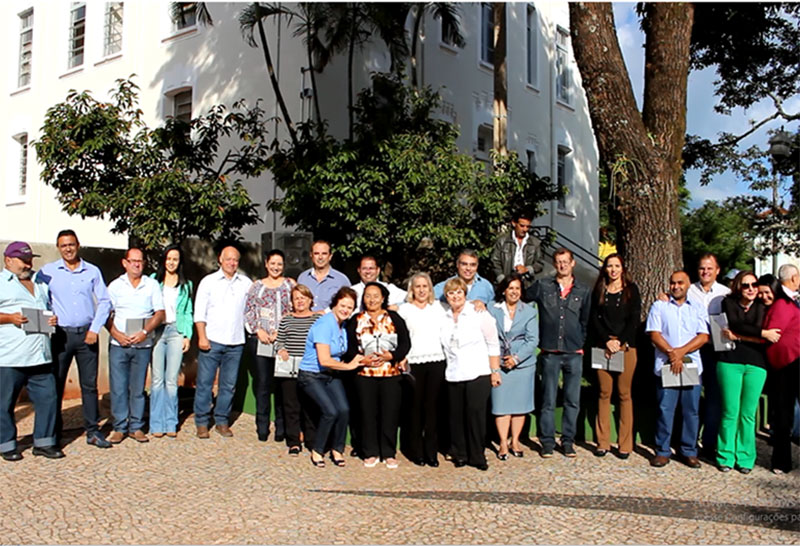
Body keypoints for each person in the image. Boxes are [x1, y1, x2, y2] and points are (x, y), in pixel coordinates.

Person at [37, 230, 112, 449]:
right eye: (63, 245)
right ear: (58, 248)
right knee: (56, 385)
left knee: (89, 386)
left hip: (87, 335)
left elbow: (105, 301)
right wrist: (47, 317)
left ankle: (93, 431)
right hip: (60, 335)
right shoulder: (48, 272)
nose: (68, 249)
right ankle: (54, 433)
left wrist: (95, 329)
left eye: (71, 244)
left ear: (78, 245)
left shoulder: (92, 271)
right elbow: (39, 298)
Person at [525, 248, 591, 458]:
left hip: (573, 351)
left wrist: (581, 342)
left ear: (573, 264)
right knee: (548, 398)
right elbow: (523, 298)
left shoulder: (583, 290)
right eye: (558, 262)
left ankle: (568, 441)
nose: (562, 265)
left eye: (566, 262)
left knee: (572, 399)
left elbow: (586, 320)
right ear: (554, 265)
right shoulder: (544, 286)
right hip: (550, 351)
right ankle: (547, 441)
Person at [0, 242, 64, 461]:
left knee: (49, 398)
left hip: (40, 354)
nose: (28, 263)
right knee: (4, 402)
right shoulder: (1, 283)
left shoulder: (39, 281)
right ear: (8, 260)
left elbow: (46, 308)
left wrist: (52, 318)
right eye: (23, 259)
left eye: (30, 259)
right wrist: (10, 318)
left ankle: (44, 443)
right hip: (11, 356)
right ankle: (6, 444)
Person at [715, 270, 780, 474]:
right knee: (730, 411)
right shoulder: (728, 303)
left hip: (756, 364)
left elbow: (754, 328)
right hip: (729, 362)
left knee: (748, 414)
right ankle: (725, 455)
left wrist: (743, 336)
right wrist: (761, 334)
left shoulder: (761, 306)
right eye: (745, 285)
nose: (751, 289)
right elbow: (736, 324)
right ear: (738, 287)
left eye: (754, 285)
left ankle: (745, 457)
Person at [646, 271, 709, 469]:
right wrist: (671, 353)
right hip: (666, 366)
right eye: (672, 283)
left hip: (691, 365)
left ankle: (689, 450)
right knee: (665, 409)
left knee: (691, 411)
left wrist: (680, 352)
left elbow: (703, 336)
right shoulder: (659, 306)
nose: (676, 286)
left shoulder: (697, 308)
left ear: (688, 284)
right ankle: (663, 451)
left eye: (680, 283)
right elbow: (654, 334)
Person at [344, 282, 411, 468]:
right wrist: (361, 360)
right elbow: (348, 348)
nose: (371, 299)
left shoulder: (394, 318)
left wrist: (392, 355)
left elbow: (405, 343)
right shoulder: (356, 320)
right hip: (364, 375)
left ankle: (389, 452)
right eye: (367, 295)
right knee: (367, 413)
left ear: (383, 298)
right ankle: (370, 451)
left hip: (391, 374)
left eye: (375, 295)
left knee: (389, 413)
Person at [297, 287, 363, 468]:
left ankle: (337, 448)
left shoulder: (341, 325)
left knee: (343, 410)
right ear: (334, 304)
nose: (345, 310)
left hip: (331, 374)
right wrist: (349, 366)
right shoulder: (325, 324)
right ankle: (318, 450)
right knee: (330, 411)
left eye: (349, 307)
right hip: (311, 375)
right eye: (342, 305)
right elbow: (324, 359)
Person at [440, 277, 502, 471]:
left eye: (459, 292)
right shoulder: (444, 316)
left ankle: (477, 455)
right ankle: (460, 454)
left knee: (475, 416)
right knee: (456, 416)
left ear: (465, 294)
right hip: (453, 373)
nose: (455, 296)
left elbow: (493, 343)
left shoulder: (479, 314)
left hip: (478, 372)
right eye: (451, 293)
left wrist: (495, 371)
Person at [106, 248, 165, 444]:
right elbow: (106, 314)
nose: (136, 264)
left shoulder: (152, 285)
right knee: (118, 388)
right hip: (118, 344)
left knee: (138, 388)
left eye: (140, 261)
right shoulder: (115, 286)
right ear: (125, 263)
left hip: (143, 344)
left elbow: (159, 313)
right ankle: (119, 427)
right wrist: (116, 334)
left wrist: (144, 333)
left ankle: (136, 427)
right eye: (133, 261)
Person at [193, 245, 252, 439]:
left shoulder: (245, 283)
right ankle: (202, 421)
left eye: (235, 260)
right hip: (212, 340)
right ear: (220, 259)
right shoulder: (208, 282)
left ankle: (221, 420)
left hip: (235, 342)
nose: (232, 263)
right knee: (204, 383)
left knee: (228, 385)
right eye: (228, 259)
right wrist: (202, 336)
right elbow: (199, 312)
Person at [589, 253, 641, 459]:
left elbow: (634, 318)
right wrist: (606, 340)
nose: (613, 270)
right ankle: (603, 442)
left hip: (625, 347)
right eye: (609, 266)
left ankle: (625, 444)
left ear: (622, 268)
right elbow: (594, 317)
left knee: (624, 393)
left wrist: (620, 341)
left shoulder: (631, 290)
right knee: (604, 392)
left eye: (616, 266)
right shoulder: (600, 289)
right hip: (603, 347)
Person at [243, 249, 295, 442]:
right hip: (262, 342)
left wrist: (280, 333)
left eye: (279, 264)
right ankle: (262, 426)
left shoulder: (290, 285)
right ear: (266, 263)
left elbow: (295, 309)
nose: (276, 267)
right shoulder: (257, 286)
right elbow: (249, 311)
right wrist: (259, 331)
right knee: (263, 384)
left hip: (284, 342)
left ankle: (282, 428)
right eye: (272, 263)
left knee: (283, 385)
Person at [397, 273, 448, 467]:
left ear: (430, 289)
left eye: (425, 286)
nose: (421, 290)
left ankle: (431, 452)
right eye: (417, 286)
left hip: (436, 361)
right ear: (412, 289)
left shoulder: (440, 308)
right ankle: (415, 451)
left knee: (433, 409)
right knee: (415, 409)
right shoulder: (405, 310)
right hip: (414, 362)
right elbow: (400, 337)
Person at [487, 273, 539, 460]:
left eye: (517, 288)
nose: (514, 292)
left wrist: (516, 358)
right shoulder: (492, 309)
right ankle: (502, 442)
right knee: (501, 405)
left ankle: (515, 440)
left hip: (522, 365)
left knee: (519, 406)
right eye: (511, 288)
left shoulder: (529, 311)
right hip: (499, 364)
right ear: (504, 290)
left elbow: (532, 340)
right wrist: (499, 359)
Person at [687, 253, 730, 458]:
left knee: (714, 399)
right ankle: (689, 442)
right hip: (693, 350)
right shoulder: (689, 290)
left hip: (716, 350)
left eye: (709, 269)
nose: (705, 272)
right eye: (702, 268)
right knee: (691, 397)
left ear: (717, 270)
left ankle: (710, 443)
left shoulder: (725, 293)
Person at [149, 244, 193, 439]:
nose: (171, 262)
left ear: (180, 261)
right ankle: (156, 422)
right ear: (163, 260)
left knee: (171, 380)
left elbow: (188, 312)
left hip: (176, 330)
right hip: (157, 331)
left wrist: (188, 336)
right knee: (157, 380)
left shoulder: (186, 285)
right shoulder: (153, 281)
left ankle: (170, 422)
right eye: (168, 258)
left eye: (175, 259)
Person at [274, 284, 321, 455]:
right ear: (292, 302)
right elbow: (279, 341)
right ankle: (293, 441)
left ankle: (311, 439)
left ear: (310, 300)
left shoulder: (317, 319)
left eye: (303, 298)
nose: (300, 301)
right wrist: (281, 349)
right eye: (296, 298)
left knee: (310, 405)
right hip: (289, 369)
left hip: (311, 368)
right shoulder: (286, 319)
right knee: (291, 405)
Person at [764, 264, 800, 474]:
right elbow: (774, 336)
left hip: (792, 363)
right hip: (787, 365)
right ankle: (781, 461)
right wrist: (784, 360)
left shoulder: (791, 301)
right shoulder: (782, 304)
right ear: (793, 278)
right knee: (783, 414)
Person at [490, 211, 542, 290]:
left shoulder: (535, 243)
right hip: (506, 281)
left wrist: (527, 269)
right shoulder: (502, 241)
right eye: (522, 226)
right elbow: (495, 262)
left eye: (528, 227)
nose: (525, 229)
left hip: (527, 284)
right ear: (514, 223)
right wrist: (502, 281)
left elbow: (540, 263)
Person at [297, 240, 350, 312]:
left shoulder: (342, 280)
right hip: (306, 322)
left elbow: (348, 305)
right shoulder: (303, 278)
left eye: (324, 254)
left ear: (330, 256)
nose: (320, 257)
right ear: (311, 255)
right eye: (316, 253)